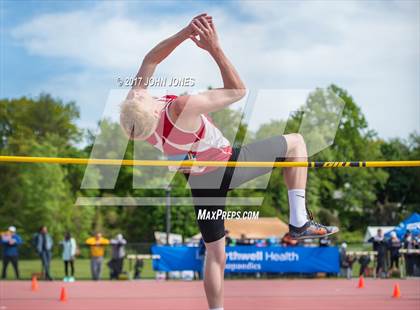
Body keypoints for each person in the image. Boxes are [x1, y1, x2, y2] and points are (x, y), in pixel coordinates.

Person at [119, 13, 338, 309]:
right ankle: (298, 221)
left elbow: (150, 59)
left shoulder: (137, 121)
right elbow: (238, 90)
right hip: (227, 167)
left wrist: (185, 33)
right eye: (141, 94)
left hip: (199, 182)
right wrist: (214, 47)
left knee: (215, 255)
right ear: (152, 109)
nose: (140, 90)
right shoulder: (181, 108)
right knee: (296, 142)